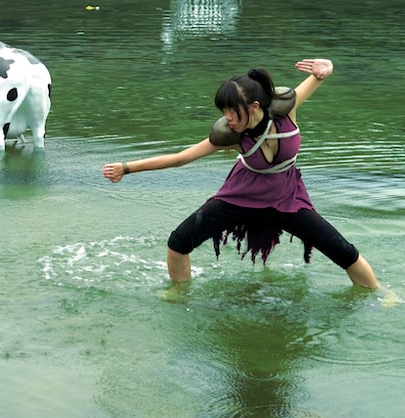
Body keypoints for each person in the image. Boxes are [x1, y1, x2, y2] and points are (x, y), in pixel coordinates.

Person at [103, 58, 378, 289]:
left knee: (343, 251)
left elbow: (320, 75)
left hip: (287, 198)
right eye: (224, 113)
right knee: (178, 242)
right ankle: (179, 295)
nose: (227, 119)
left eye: (232, 112)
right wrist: (127, 168)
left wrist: (325, 69)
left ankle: (376, 294)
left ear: (255, 107)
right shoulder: (232, 135)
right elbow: (180, 158)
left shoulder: (286, 109)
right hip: (240, 196)